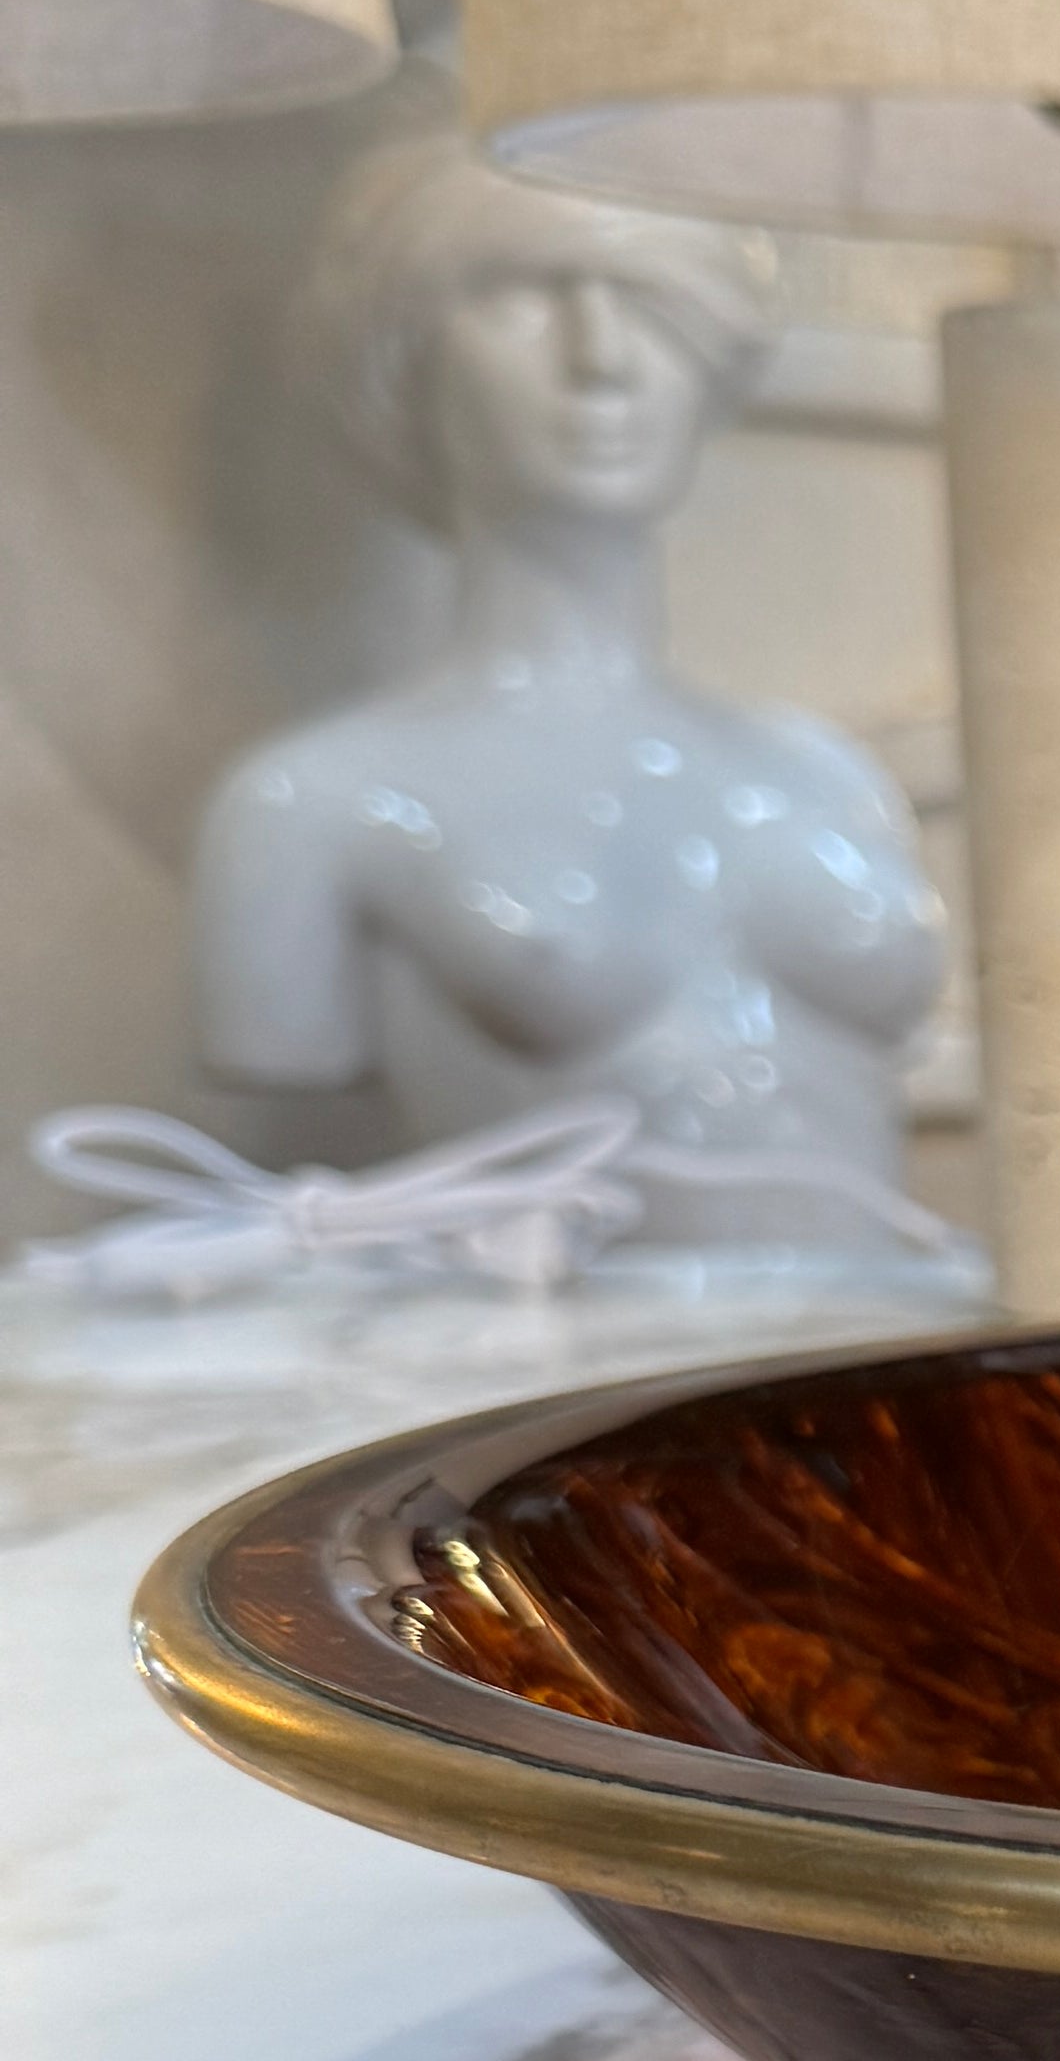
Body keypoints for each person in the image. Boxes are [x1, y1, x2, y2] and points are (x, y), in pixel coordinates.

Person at [197, 129, 945, 1240]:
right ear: (410, 355)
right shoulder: (309, 806)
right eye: (525, 297)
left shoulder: (824, 772)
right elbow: (282, 1111)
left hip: (878, 1369)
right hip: (575, 1387)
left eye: (653, 304)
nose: (602, 357)